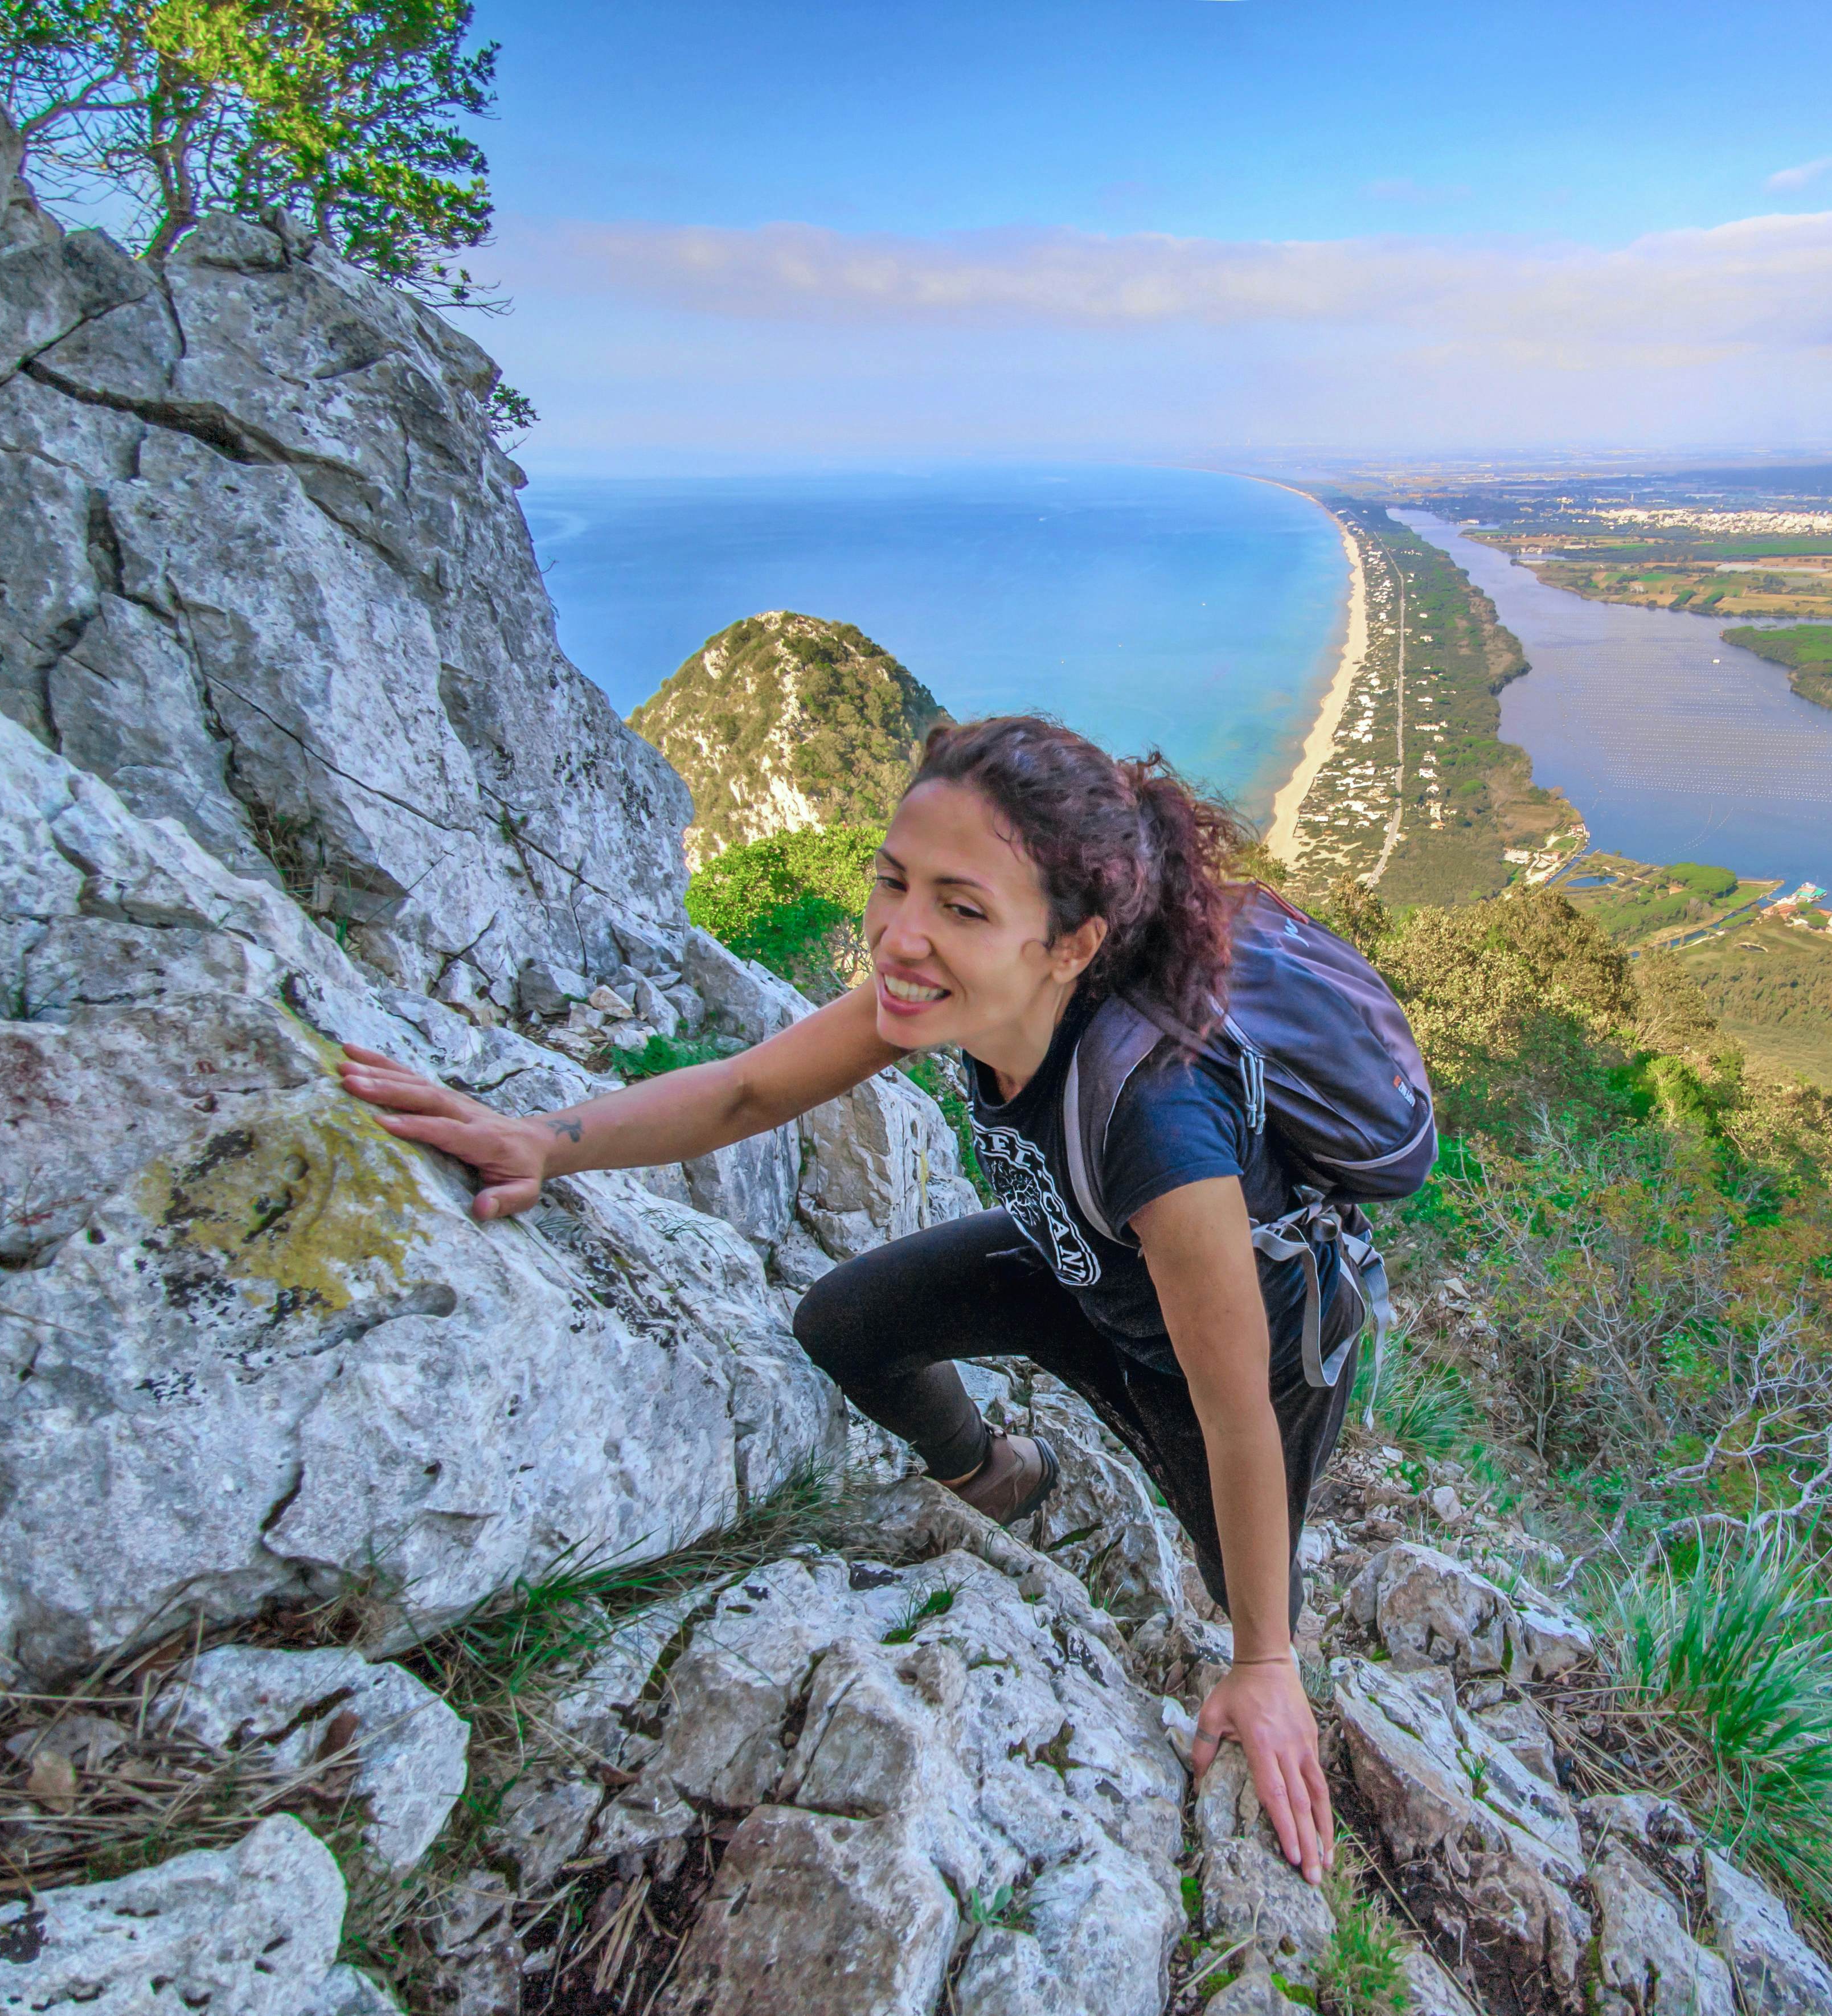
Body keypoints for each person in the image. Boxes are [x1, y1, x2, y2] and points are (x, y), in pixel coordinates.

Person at [337, 715, 1368, 1886]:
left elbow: (1237, 1413)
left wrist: (1266, 1666)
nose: (903, 935)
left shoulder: (1156, 1127)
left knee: (1249, 1594)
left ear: (1070, 946)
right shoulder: (947, 1001)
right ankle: (1000, 1477)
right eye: (894, 882)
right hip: (1081, 1274)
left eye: (962, 908)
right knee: (846, 1326)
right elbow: (741, 1095)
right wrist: (535, 1141)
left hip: (1231, 1367)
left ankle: (1272, 1654)